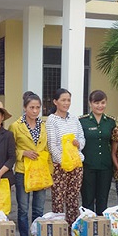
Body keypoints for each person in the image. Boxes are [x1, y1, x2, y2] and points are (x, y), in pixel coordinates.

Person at [8, 91, 52, 236]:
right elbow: (10, 150)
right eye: (31, 107)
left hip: (40, 172)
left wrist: (49, 174)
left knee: (39, 208)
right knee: (23, 209)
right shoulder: (15, 126)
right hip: (23, 171)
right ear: (25, 108)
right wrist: (23, 153)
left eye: (38, 107)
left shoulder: (43, 125)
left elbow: (46, 150)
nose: (35, 111)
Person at [46, 88, 85, 227]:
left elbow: (81, 137)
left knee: (73, 199)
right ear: (55, 102)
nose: (66, 103)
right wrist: (64, 162)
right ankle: (59, 231)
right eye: (63, 100)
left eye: (68, 100)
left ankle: (72, 232)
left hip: (76, 164)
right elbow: (52, 145)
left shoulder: (74, 118)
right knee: (58, 199)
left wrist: (78, 144)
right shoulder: (52, 120)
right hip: (60, 166)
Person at [79, 90, 116, 214]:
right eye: (96, 103)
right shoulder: (82, 121)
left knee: (103, 200)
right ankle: (87, 228)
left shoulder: (110, 122)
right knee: (87, 200)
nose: (100, 106)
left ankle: (101, 228)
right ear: (90, 103)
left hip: (105, 166)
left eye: (103, 102)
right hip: (88, 166)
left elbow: (114, 144)